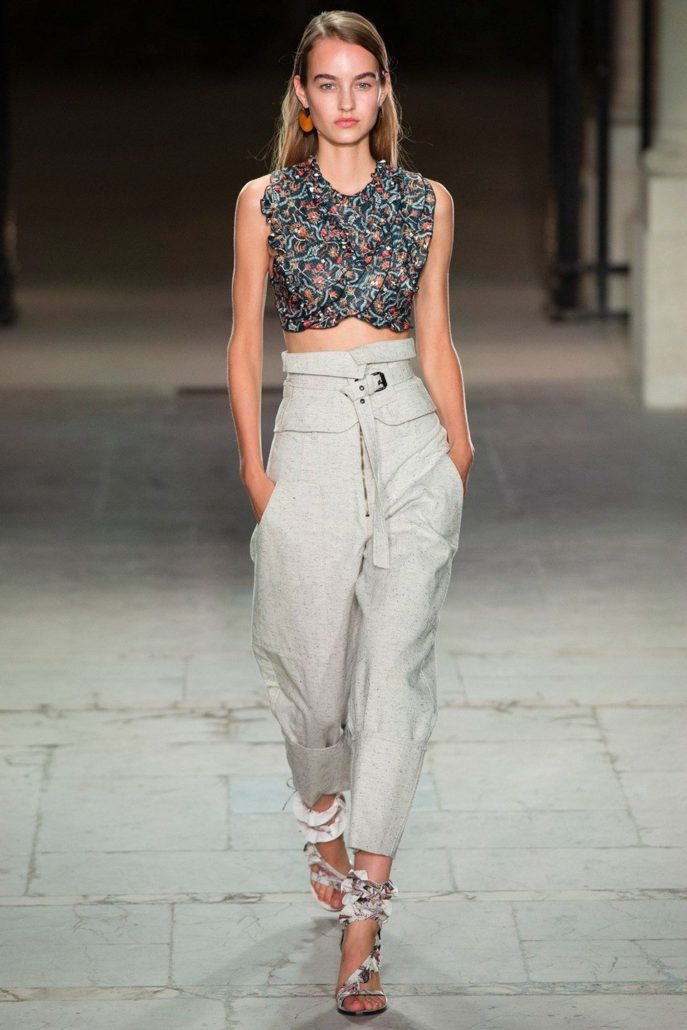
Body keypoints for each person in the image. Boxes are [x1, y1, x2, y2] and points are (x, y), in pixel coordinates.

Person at [227, 10, 474, 1017]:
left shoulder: (426, 200)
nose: (345, 100)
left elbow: (437, 329)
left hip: (411, 433)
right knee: (312, 683)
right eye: (326, 82)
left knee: (397, 675)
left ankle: (363, 925)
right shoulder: (264, 201)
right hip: (313, 436)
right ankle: (322, 823)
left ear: (382, 92)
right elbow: (242, 339)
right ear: (301, 95)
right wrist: (256, 473)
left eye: (362, 81)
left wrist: (457, 451)